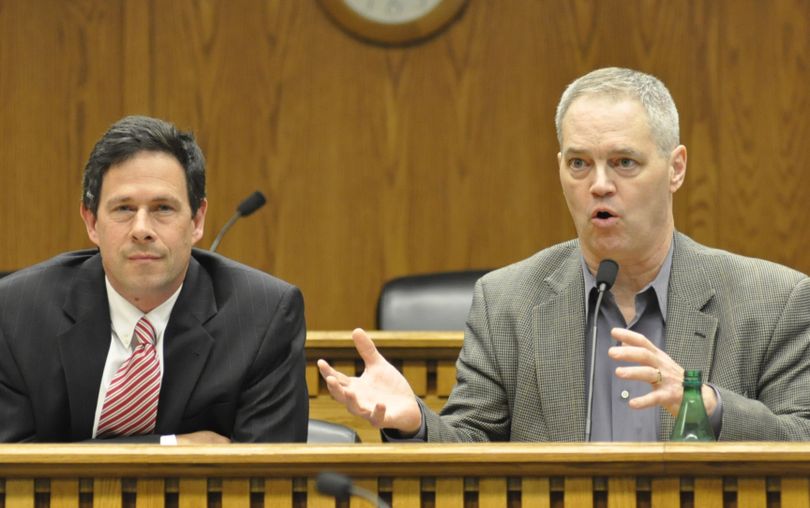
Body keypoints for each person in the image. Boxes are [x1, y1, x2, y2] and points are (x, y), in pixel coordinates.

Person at [318, 67, 810, 441]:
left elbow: (802, 437)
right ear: (559, 168)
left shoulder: (775, 301)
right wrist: (417, 425)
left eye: (624, 162)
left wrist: (710, 405)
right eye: (579, 163)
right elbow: (473, 447)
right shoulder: (506, 301)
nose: (599, 185)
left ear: (675, 168)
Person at [0, 115, 308, 443]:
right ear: (91, 222)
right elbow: (11, 469)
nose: (142, 229)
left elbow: (272, 478)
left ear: (197, 220)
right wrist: (172, 446)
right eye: (123, 209)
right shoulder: (17, 313)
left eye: (163, 208)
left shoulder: (265, 316)